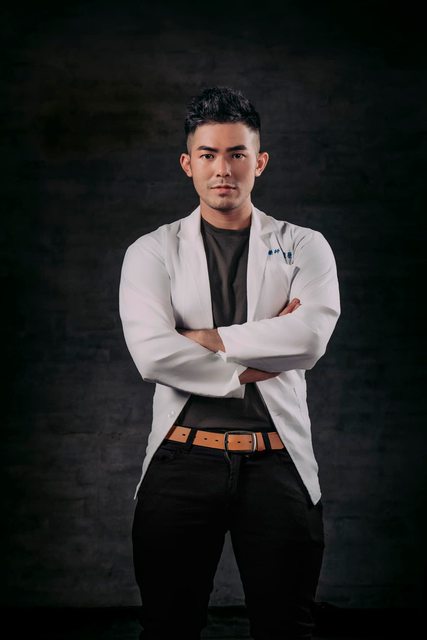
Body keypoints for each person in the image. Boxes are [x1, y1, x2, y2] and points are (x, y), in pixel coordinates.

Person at [119, 86, 340, 640]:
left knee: (288, 628)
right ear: (188, 164)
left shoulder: (304, 245)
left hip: (276, 462)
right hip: (181, 460)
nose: (223, 169)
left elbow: (309, 339)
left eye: (238, 154)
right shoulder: (152, 251)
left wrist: (201, 339)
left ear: (259, 162)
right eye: (209, 154)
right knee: (167, 628)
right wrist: (253, 362)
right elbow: (152, 354)